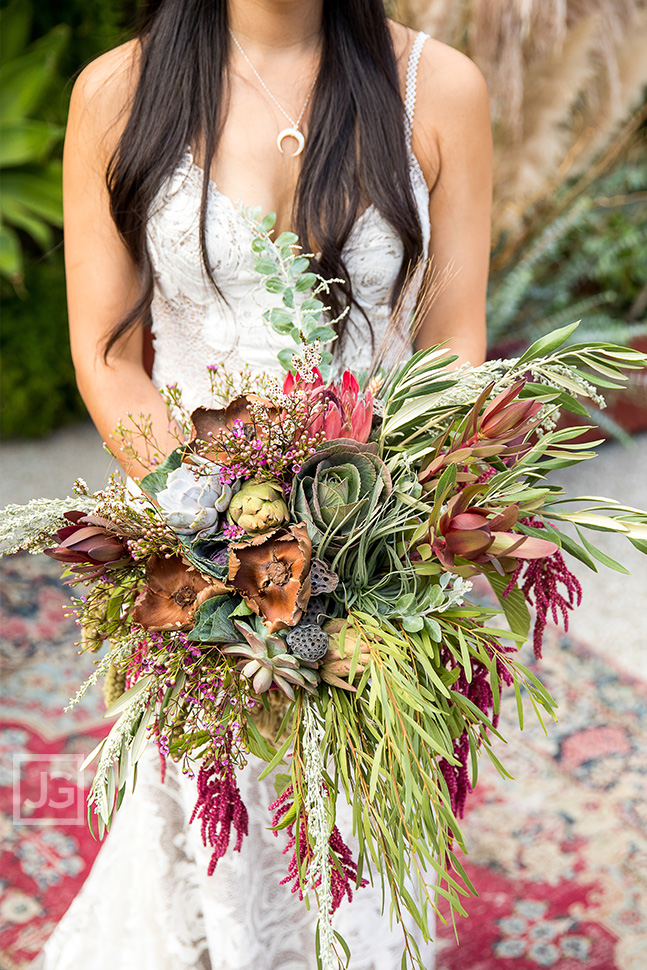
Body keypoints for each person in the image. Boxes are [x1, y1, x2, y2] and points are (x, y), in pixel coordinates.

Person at [33, 1, 492, 967]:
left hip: (379, 540)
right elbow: (105, 354)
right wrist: (216, 531)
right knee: (211, 832)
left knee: (358, 844)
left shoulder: (439, 87)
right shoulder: (117, 93)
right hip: (197, 538)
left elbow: (453, 342)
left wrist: (379, 533)